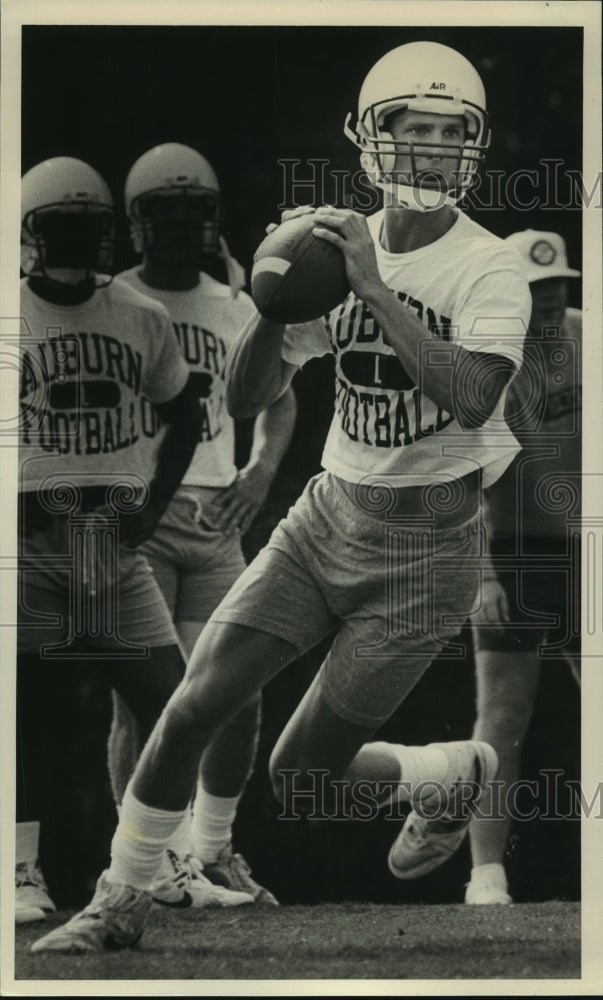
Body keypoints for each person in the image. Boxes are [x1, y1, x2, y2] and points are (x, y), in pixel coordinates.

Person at [32, 40, 532, 953]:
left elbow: (470, 395)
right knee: (190, 706)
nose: (428, 147)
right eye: (410, 129)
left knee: (300, 775)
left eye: (448, 132)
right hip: (326, 513)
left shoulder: (490, 266)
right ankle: (119, 898)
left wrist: (372, 290)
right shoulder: (331, 243)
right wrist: (269, 297)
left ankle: (446, 771)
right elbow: (247, 398)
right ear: (370, 138)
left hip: (427, 551)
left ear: (473, 146)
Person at [15, 156, 251, 923]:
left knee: (178, 703)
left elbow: (185, 413)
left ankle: (165, 861)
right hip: (34, 542)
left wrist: (150, 506)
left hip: (110, 545)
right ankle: (19, 873)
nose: (79, 241)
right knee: (32, 715)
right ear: (30, 236)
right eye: (62, 227)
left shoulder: (138, 314)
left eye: (89, 226)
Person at [109, 142, 296, 905]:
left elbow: (279, 396)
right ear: (136, 223)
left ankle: (214, 848)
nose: (183, 228)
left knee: (237, 694)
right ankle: (149, 865)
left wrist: (258, 474)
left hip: (217, 515)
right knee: (144, 700)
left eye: (196, 214)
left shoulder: (237, 304)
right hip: (141, 521)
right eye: (167, 213)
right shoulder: (111, 298)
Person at [464, 230, 581, 905]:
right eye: (535, 291)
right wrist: (481, 576)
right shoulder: (488, 360)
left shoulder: (589, 336)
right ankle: (485, 877)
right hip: (511, 551)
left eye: (557, 287)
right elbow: (464, 474)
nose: (547, 302)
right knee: (502, 716)